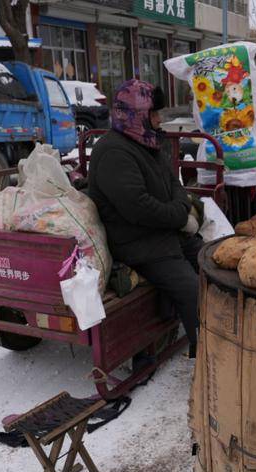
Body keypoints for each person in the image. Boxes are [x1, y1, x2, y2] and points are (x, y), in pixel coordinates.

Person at [88, 79, 202, 356]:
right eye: (154, 114)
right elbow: (137, 207)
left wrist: (183, 209)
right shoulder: (113, 151)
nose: (159, 119)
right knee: (192, 291)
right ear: (136, 116)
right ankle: (208, 354)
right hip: (137, 243)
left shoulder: (147, 143)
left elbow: (174, 183)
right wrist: (179, 216)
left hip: (162, 233)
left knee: (210, 260)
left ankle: (178, 313)